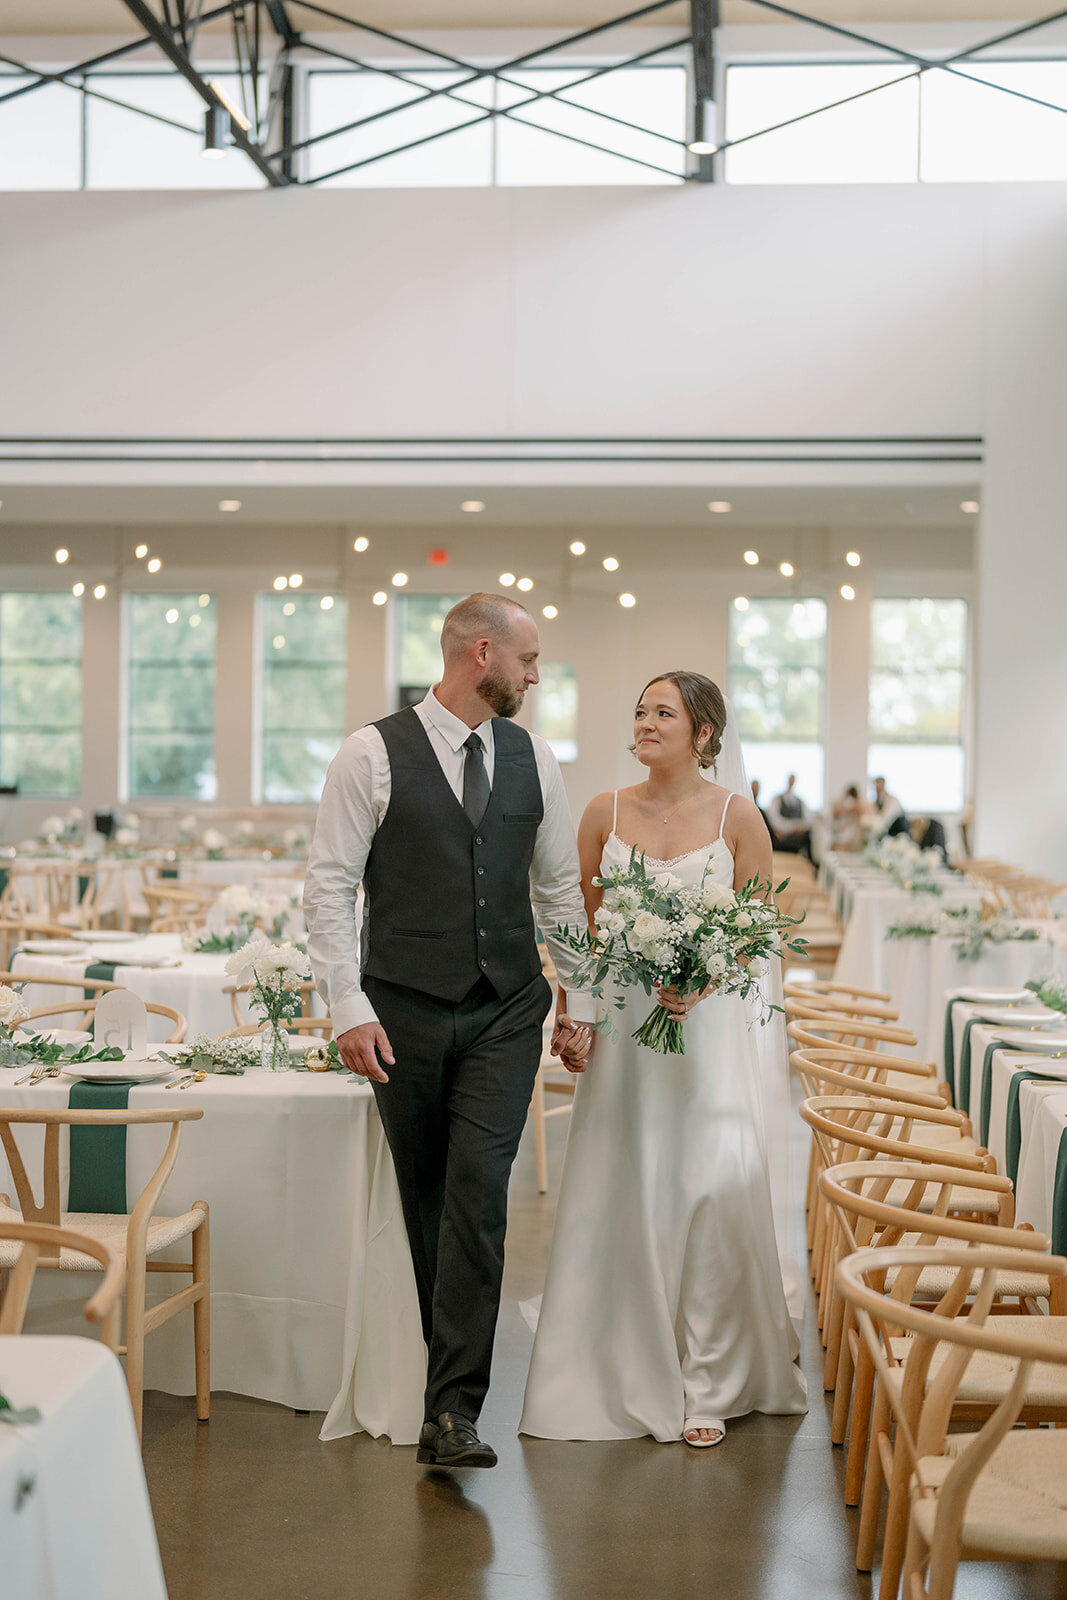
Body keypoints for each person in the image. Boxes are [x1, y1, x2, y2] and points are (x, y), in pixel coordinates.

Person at [303, 593, 594, 1470]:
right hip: (403, 1012)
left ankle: (454, 1411)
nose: (536, 677)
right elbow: (327, 890)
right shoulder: (370, 754)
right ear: (480, 654)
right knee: (427, 1195)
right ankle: (431, 1380)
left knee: (478, 1192)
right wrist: (347, 1007)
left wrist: (575, 996)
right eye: (528, 661)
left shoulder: (534, 758)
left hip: (507, 1006)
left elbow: (554, 894)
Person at [520, 671, 807, 1449]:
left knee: (706, 1187)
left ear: (704, 733)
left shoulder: (739, 818)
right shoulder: (603, 811)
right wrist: (571, 1017)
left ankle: (708, 1376)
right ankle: (617, 1359)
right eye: (640, 710)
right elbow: (572, 929)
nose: (644, 722)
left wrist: (702, 978)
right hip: (623, 1031)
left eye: (662, 713)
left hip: (706, 1033)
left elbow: (756, 937)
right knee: (628, 1180)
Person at [767, 772, 814, 861]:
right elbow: (774, 819)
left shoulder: (800, 801)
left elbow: (809, 820)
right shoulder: (777, 799)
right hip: (782, 837)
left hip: (796, 836)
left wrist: (799, 827)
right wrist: (790, 828)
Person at [831, 784, 870, 851]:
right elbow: (836, 815)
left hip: (852, 831)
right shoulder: (842, 804)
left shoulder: (858, 805)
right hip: (843, 829)